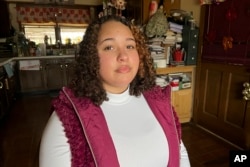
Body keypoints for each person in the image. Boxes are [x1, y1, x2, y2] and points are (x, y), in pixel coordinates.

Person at [39, 15, 190, 167]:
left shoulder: (158, 100)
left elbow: (179, 152)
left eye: (130, 46)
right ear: (91, 56)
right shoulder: (68, 120)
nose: (123, 56)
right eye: (109, 47)